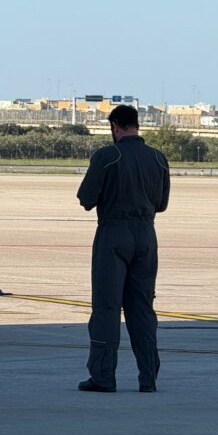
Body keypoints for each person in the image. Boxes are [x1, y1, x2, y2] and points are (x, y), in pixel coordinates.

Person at [76, 104, 170, 394]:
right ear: (137, 125)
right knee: (142, 307)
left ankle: (104, 375)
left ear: (115, 125)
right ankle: (148, 376)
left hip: (113, 233)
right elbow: (162, 204)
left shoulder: (108, 155)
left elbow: (86, 198)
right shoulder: (158, 157)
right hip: (146, 234)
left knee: (107, 306)